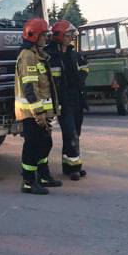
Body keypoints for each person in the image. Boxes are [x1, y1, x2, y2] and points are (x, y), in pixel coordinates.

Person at [15, 18, 62, 194]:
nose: (47, 38)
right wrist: (39, 112)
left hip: (40, 111)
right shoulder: (28, 56)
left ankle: (43, 175)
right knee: (33, 145)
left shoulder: (37, 55)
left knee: (45, 143)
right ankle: (28, 181)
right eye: (44, 35)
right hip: (31, 112)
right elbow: (30, 88)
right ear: (33, 36)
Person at [44, 20, 89, 181]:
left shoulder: (72, 52)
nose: (71, 37)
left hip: (76, 98)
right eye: (69, 34)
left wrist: (82, 77)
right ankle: (75, 168)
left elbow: (85, 67)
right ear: (60, 35)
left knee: (76, 132)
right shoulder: (49, 55)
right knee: (70, 133)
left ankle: (69, 166)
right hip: (62, 101)